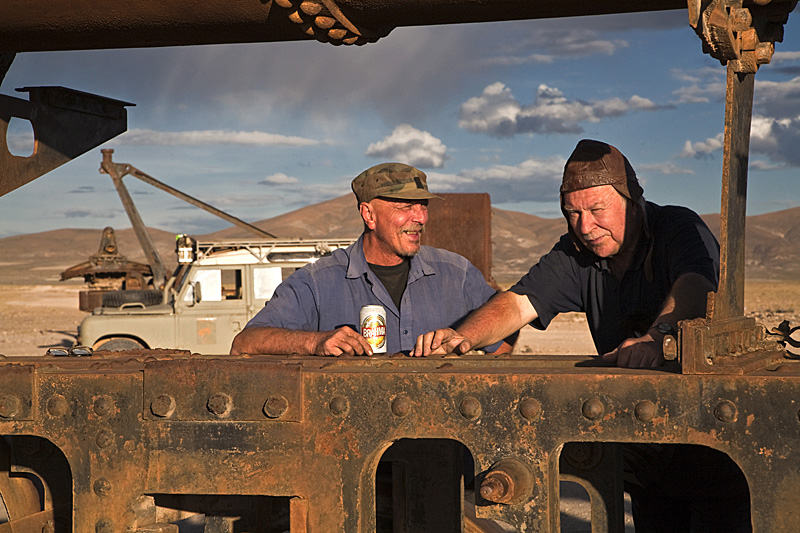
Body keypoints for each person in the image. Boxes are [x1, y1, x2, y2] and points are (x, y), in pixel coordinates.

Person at [412, 139, 751, 531]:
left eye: (597, 209)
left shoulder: (678, 227)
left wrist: (659, 337)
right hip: (647, 448)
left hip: (710, 442)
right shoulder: (576, 254)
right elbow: (519, 303)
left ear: (632, 199)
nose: (585, 226)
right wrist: (462, 336)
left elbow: (697, 285)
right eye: (572, 212)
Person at [230, 162, 515, 356]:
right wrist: (315, 341)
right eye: (405, 206)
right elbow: (244, 344)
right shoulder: (318, 282)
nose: (421, 217)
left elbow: (504, 340)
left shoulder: (457, 273)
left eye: (423, 206)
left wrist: (463, 345)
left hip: (442, 441)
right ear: (369, 214)